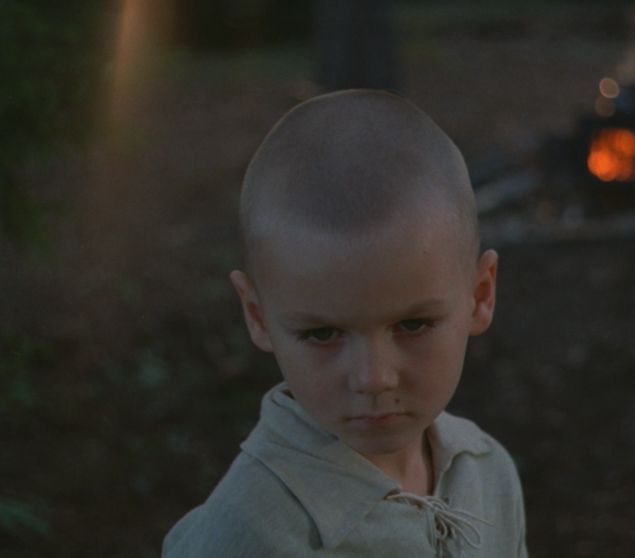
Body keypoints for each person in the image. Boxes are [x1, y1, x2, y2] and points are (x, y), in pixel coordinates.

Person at [162, 89, 528, 557]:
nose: (373, 378)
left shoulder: (487, 472)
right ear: (257, 315)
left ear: (479, 295)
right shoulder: (250, 533)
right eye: (322, 334)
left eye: (413, 324)